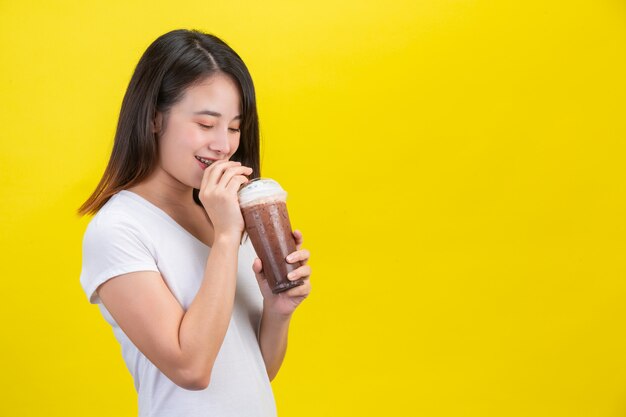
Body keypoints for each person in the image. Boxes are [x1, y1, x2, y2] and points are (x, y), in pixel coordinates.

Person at [78, 29, 312, 417]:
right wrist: (225, 237)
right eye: (206, 124)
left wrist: (278, 309)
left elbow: (255, 373)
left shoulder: (222, 214)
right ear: (155, 119)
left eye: (234, 127)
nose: (224, 144)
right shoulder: (118, 229)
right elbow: (192, 368)